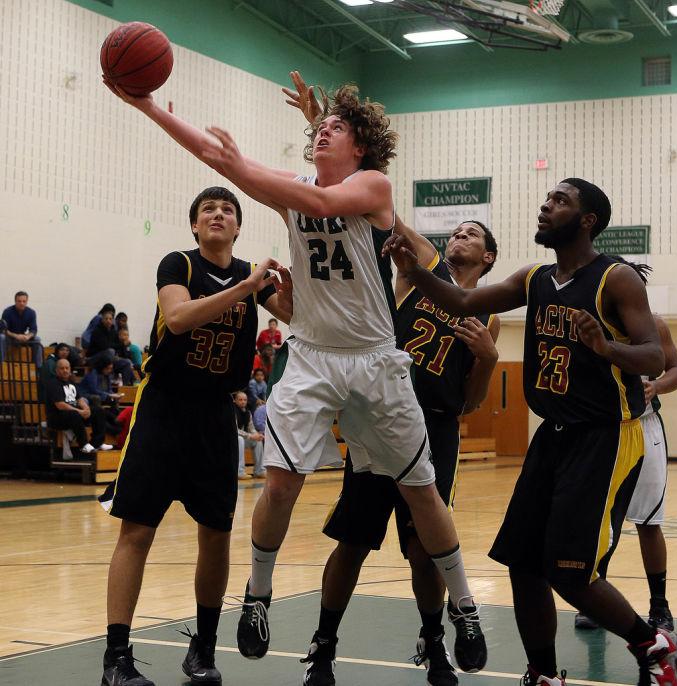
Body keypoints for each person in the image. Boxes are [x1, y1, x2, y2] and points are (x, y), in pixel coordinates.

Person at [104, 78, 488, 674]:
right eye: (320, 126)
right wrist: (148, 105)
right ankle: (257, 597)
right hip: (310, 355)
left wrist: (242, 166)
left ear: (360, 148)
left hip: (373, 357)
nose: (322, 130)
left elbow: (322, 204)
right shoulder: (295, 187)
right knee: (281, 482)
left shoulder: (373, 187)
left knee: (420, 490)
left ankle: (463, 604)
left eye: (336, 127)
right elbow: (217, 157)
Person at [383, 179, 677, 686]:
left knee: (569, 570)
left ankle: (653, 645)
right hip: (553, 435)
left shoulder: (616, 279)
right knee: (523, 562)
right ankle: (543, 673)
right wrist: (412, 271)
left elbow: (655, 357)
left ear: (587, 219)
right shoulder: (535, 278)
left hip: (604, 435)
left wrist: (606, 349)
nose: (546, 207)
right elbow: (462, 302)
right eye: (547, 200)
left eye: (560, 201)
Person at [96, 185, 290, 686]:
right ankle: (117, 657)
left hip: (215, 416)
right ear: (195, 225)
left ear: (239, 226)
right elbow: (179, 318)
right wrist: (247, 289)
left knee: (217, 537)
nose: (219, 214)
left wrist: (295, 277)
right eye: (209, 209)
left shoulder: (254, 276)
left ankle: (203, 651)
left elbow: (300, 317)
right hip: (163, 409)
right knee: (136, 530)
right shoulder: (179, 264)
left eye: (228, 209)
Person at [304, 217, 500, 686]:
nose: (458, 236)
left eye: (471, 234)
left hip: (436, 425)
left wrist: (490, 359)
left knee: (423, 549)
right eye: (455, 232)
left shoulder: (487, 313)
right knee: (352, 541)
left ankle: (434, 645)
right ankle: (323, 647)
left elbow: (472, 402)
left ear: (488, 257)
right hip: (381, 417)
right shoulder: (416, 277)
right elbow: (399, 227)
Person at [575, 260, 677, 634]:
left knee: (649, 521)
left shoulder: (654, 325)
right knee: (599, 520)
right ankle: (596, 600)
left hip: (644, 425)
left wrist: (658, 386)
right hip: (600, 428)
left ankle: (660, 606)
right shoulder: (586, 321)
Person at [44, 358, 112, 455]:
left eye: (67, 368)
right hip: (57, 418)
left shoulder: (71, 383)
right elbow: (60, 405)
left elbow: (79, 399)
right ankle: (83, 445)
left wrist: (86, 409)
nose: (65, 370)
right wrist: (79, 411)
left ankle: (97, 443)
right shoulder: (53, 384)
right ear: (56, 370)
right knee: (74, 414)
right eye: (62, 368)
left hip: (73, 414)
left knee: (98, 411)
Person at [87, 309, 135, 385]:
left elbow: (118, 346)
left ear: (113, 320)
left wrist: (124, 345)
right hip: (94, 358)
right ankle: (111, 378)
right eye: (106, 319)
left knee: (126, 363)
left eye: (110, 319)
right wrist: (122, 345)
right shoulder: (97, 331)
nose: (108, 321)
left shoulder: (113, 331)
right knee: (110, 351)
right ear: (102, 320)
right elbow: (105, 346)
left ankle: (125, 387)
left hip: (109, 359)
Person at [0, 291, 43, 367]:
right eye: (19, 301)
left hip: (23, 338)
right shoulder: (7, 311)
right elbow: (3, 329)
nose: (22, 303)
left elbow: (34, 329)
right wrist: (16, 336)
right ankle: (1, 365)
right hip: (10, 337)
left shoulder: (31, 312)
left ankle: (37, 367)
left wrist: (28, 336)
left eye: (24, 301)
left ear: (27, 302)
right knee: (1, 337)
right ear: (15, 301)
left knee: (37, 339)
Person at [233, 390, 265, 479]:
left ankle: (259, 471)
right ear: (234, 401)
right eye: (240, 400)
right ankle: (240, 472)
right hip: (230, 440)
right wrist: (250, 436)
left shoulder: (248, 412)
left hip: (243, 439)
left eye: (245, 400)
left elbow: (251, 428)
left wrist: (257, 435)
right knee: (240, 439)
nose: (243, 402)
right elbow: (235, 430)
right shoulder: (232, 412)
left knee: (257, 441)